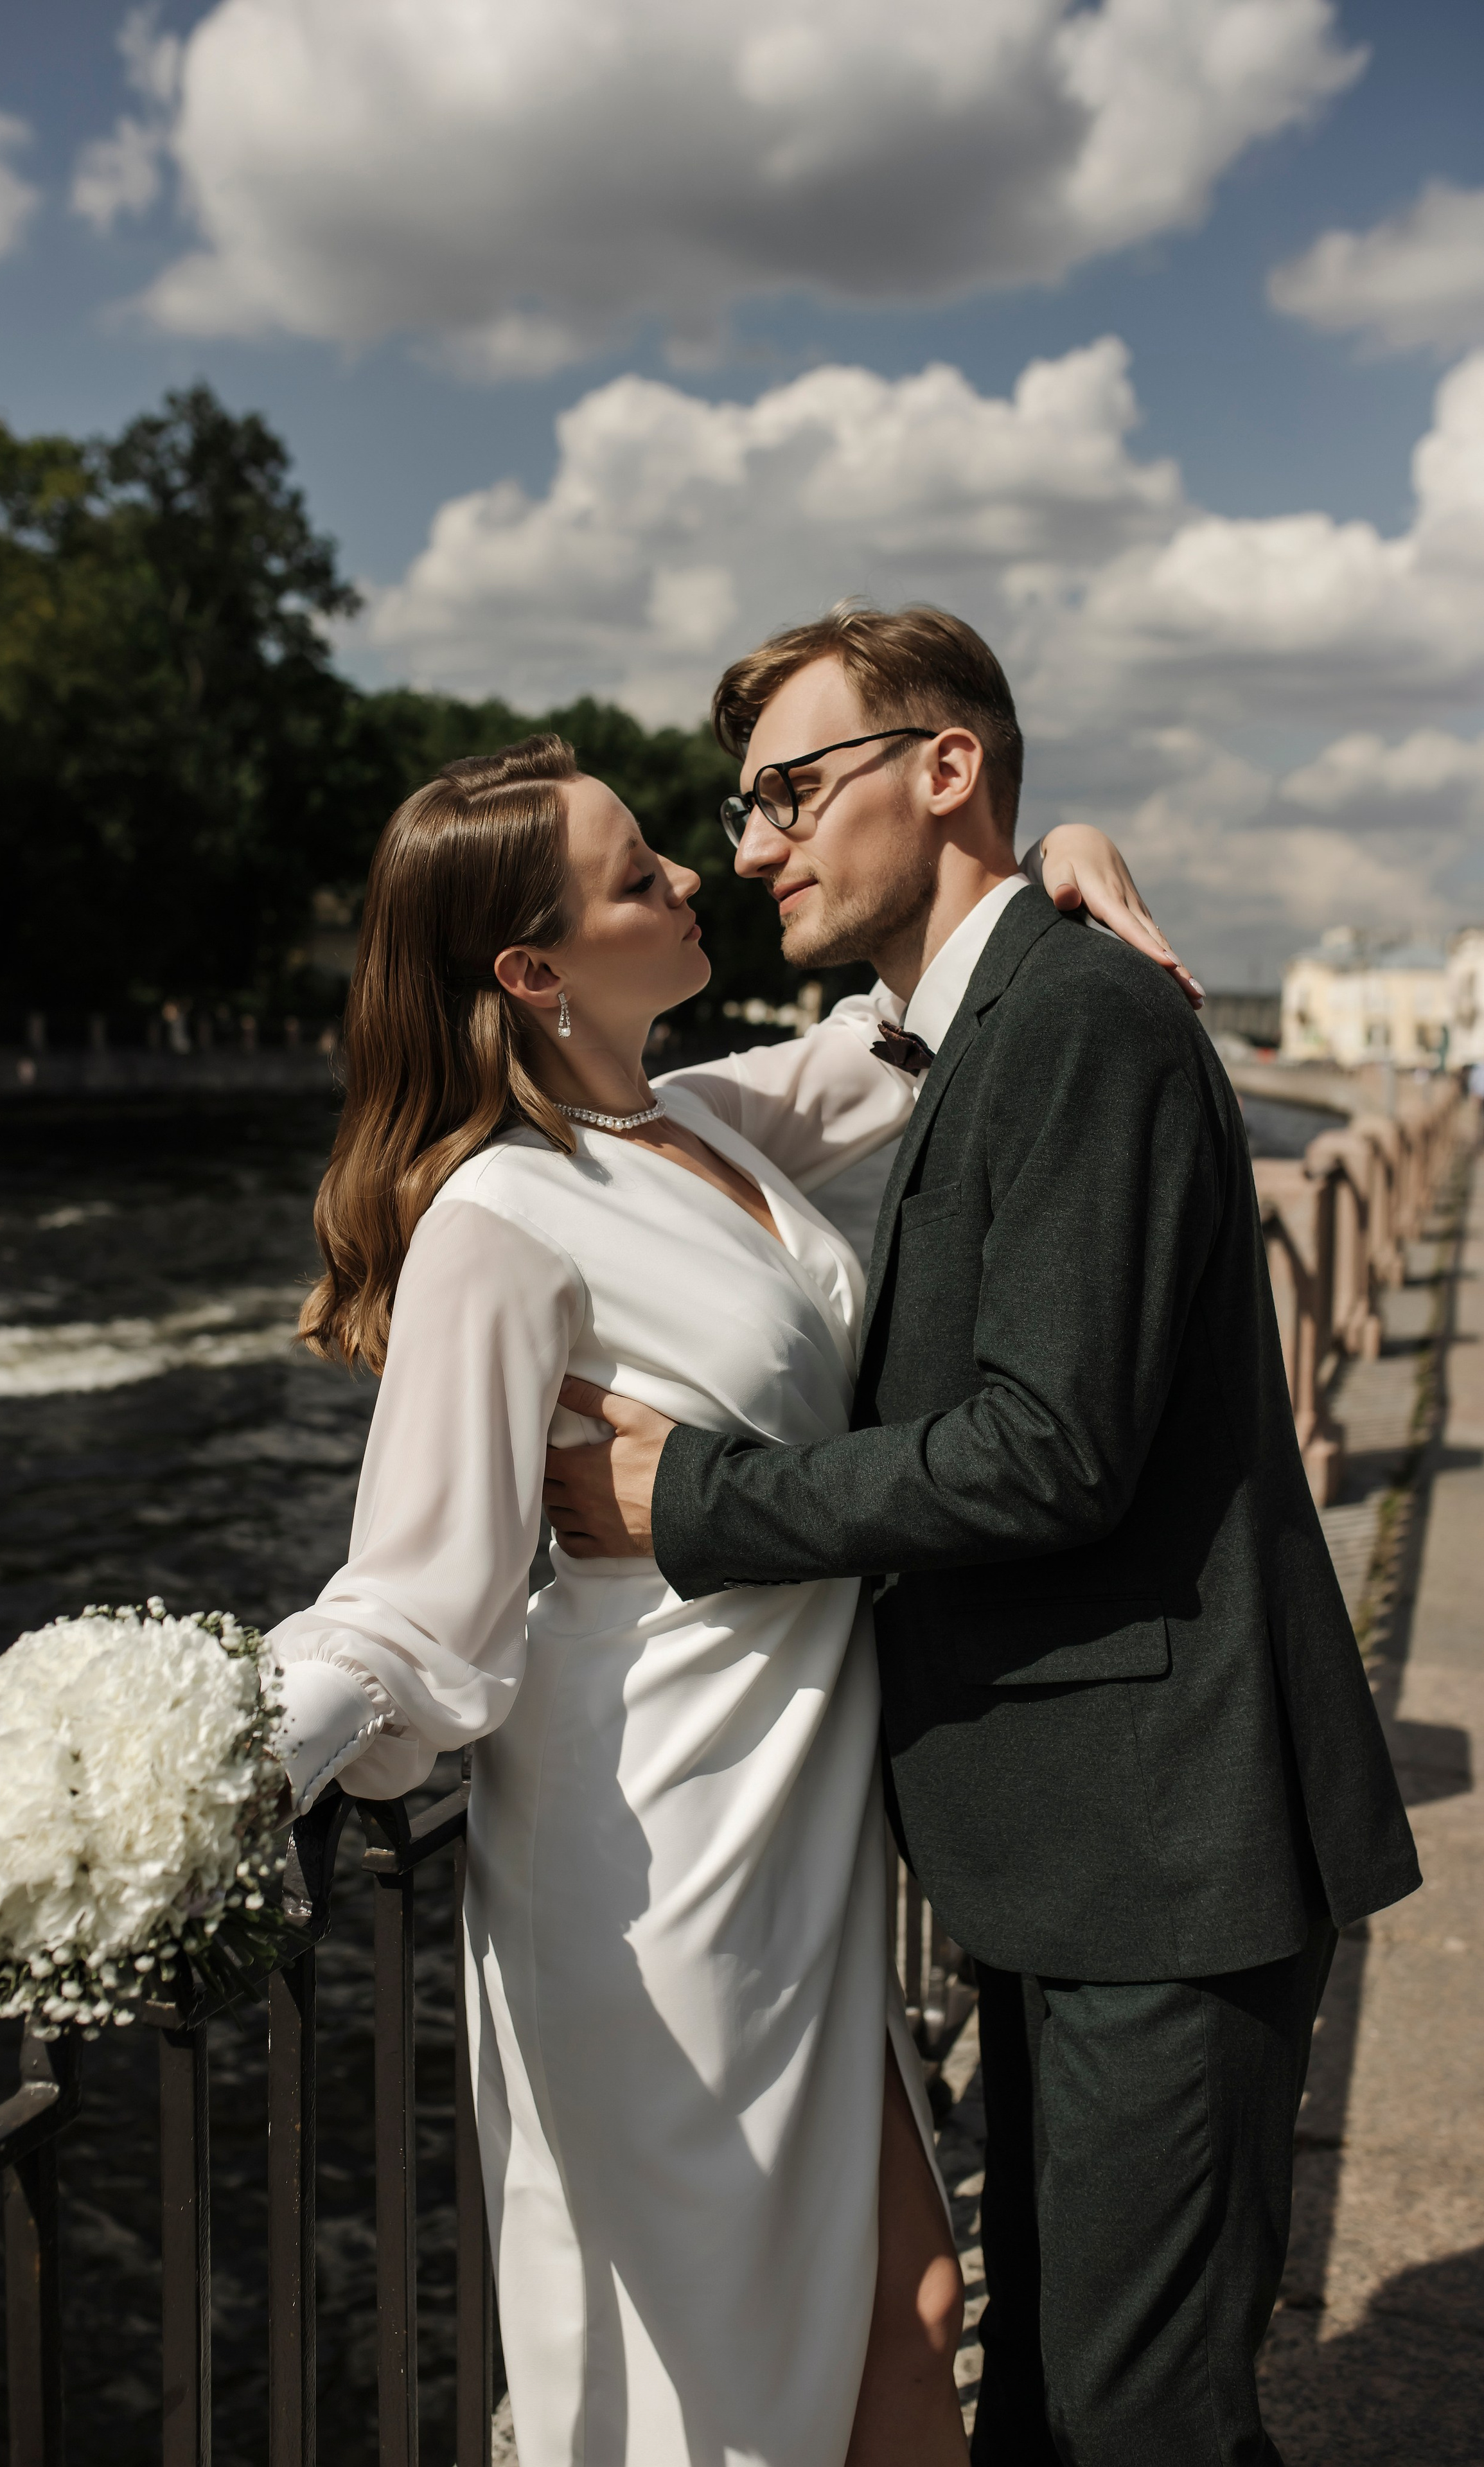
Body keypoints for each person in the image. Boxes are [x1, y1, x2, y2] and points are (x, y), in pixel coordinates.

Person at [547, 605, 1422, 2465]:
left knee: (1134, 2420)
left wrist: (687, 1499)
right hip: (1084, 1845)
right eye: (749, 805)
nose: (755, 845)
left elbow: (1050, 1450)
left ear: (944, 769)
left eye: (790, 790)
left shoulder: (1076, 1019)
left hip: (1163, 1847)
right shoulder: (991, 1019)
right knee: (1057, 2402)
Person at [264, 721, 1185, 2466]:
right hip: (657, 1835)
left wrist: (1049, 863)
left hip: (795, 1811)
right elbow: (415, 1594)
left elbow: (915, 1029)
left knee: (912, 2310)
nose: (696, 873)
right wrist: (245, 1746)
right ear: (534, 971)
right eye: (639, 876)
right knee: (725, 2381)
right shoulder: (496, 1218)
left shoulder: (692, 1119)